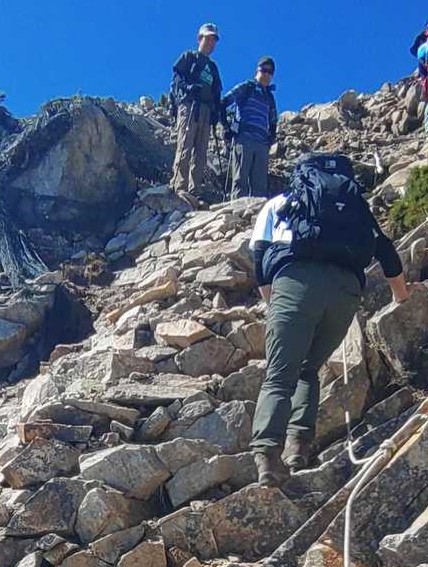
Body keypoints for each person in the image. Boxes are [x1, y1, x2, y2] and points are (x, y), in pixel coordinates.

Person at [249, 155, 410, 486]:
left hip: (294, 282)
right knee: (308, 369)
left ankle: (267, 457)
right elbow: (386, 252)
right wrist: (401, 297)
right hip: (345, 291)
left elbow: (260, 258)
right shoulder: (354, 208)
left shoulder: (280, 203)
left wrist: (273, 301)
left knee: (280, 375)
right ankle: (298, 448)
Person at [170, 24, 223, 205]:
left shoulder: (213, 67)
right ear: (199, 38)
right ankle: (179, 187)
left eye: (213, 40)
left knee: (201, 151)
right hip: (190, 104)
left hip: (206, 109)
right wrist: (188, 88)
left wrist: (216, 112)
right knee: (185, 145)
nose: (210, 43)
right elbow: (177, 79)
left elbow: (217, 92)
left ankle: (195, 191)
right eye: (208, 38)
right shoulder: (189, 57)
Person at [222, 57, 278, 197]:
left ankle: (256, 210)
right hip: (244, 139)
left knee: (260, 185)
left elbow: (273, 121)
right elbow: (224, 102)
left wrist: (271, 137)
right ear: (257, 71)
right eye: (264, 70)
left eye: (270, 72)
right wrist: (226, 127)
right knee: (240, 179)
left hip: (262, 143)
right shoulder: (247, 87)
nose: (267, 74)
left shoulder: (269, 97)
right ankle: (236, 208)